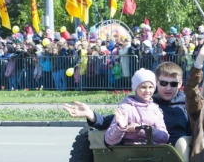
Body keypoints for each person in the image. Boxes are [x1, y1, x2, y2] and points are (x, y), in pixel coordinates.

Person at [63, 62, 191, 145]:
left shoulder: (186, 104)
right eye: (164, 83)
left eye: (173, 84)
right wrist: (91, 114)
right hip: (160, 152)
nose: (168, 88)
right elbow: (113, 120)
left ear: (179, 84)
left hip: (182, 148)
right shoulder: (146, 104)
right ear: (157, 82)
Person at [103, 69, 169, 146]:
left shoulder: (155, 109)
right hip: (128, 152)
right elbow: (109, 140)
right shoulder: (125, 108)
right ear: (135, 88)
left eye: (151, 87)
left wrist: (142, 129)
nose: (147, 91)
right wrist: (121, 127)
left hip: (151, 152)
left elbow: (164, 138)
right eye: (143, 87)